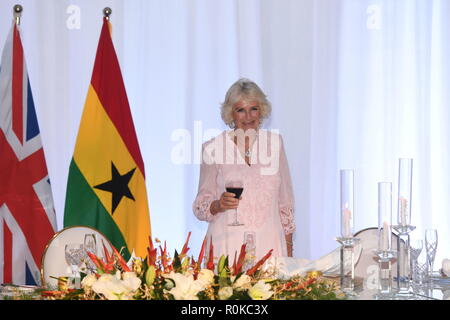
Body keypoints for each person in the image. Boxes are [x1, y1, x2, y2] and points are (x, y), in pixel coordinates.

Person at [193, 78, 295, 266]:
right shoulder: (212, 148)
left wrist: (288, 255)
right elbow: (200, 206)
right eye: (240, 110)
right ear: (231, 114)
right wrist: (218, 204)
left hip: (270, 247)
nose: (248, 116)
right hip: (226, 247)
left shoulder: (275, 144)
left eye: (253, 109)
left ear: (261, 110)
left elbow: (285, 204)